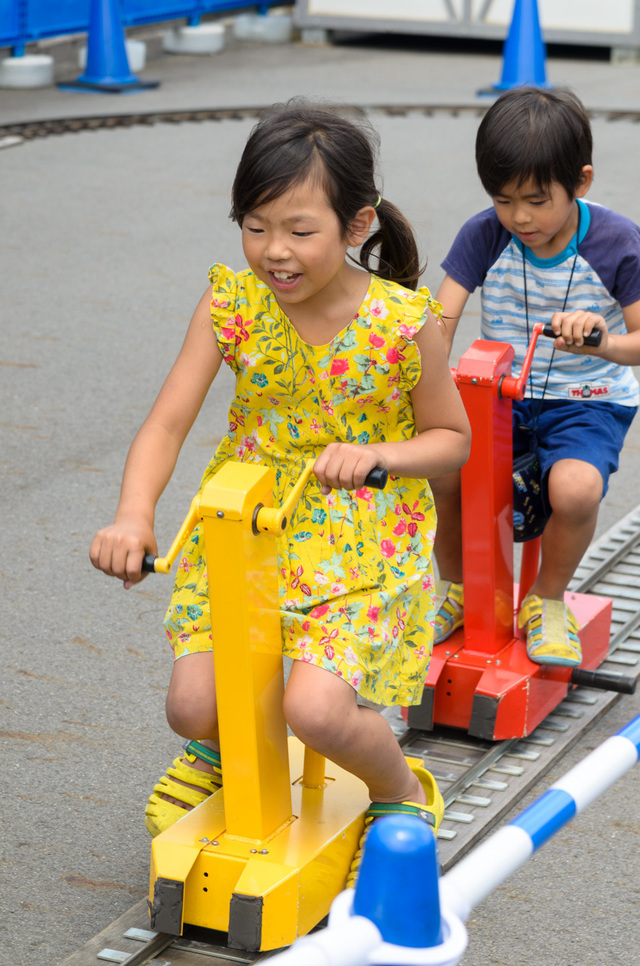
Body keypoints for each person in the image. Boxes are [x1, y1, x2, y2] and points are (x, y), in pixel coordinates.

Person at [89, 100, 471, 883]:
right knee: (192, 708)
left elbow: (450, 439)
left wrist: (375, 456)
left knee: (316, 711)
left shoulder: (403, 323)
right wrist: (133, 515)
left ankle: (400, 791)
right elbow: (166, 424)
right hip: (246, 522)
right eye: (255, 226)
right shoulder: (232, 303)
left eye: (299, 230)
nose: (274, 252)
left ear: (357, 223)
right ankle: (221, 749)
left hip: (361, 536)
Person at [430, 86, 640, 667]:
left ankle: (547, 599)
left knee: (574, 490)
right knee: (443, 471)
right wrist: (428, 382)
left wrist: (602, 341)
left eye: (536, 200)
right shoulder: (484, 233)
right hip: (496, 395)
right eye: (502, 199)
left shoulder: (617, 242)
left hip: (588, 398)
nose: (519, 217)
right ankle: (457, 585)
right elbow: (440, 317)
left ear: (581, 182)